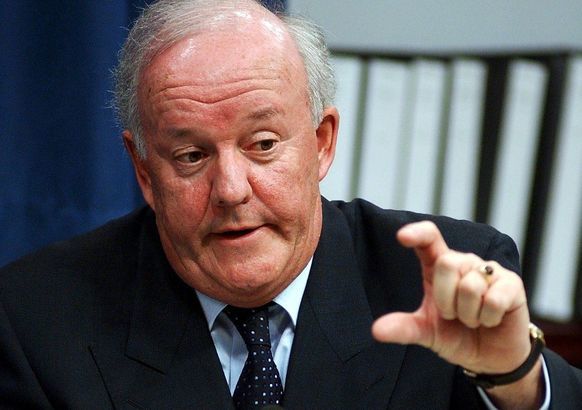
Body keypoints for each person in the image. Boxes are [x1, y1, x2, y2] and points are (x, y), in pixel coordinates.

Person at [1, 0, 581, 408]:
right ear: (144, 171)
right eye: (191, 156)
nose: (231, 189)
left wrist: (515, 378)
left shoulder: (442, 283)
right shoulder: (38, 321)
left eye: (263, 144)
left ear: (322, 143)